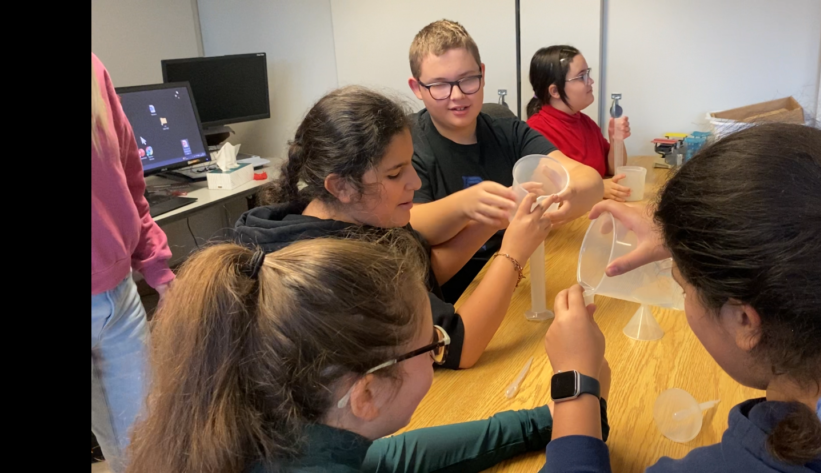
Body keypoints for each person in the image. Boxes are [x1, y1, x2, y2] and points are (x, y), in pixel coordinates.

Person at [542, 123, 821, 472]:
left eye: (683, 286)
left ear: (745, 321)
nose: (683, 295)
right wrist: (699, 242)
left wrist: (576, 382)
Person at [125, 235, 612, 472]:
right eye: (433, 347)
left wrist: (543, 420)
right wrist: (576, 389)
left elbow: (385, 459)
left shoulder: (269, 427)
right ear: (366, 393)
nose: (438, 352)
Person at [231, 86, 556, 369]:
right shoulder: (331, 266)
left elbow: (421, 270)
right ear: (341, 186)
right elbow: (456, 346)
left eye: (409, 165)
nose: (414, 182)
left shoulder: (343, 211)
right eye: (394, 173)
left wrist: (491, 224)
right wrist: (513, 252)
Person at [406, 19, 605, 301]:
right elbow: (413, 220)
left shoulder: (508, 130)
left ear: (482, 73)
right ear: (417, 88)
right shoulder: (408, 144)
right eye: (439, 85)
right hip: (455, 298)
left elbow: (586, 177)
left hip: (516, 277)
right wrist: (471, 206)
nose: (458, 95)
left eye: (468, 79)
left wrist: (571, 192)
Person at [91, 52, 176, 473]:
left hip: (119, 298)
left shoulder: (93, 69)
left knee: (148, 446)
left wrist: (158, 267)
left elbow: (128, 178)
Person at [526, 45, 632, 202]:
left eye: (587, 73)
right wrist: (598, 188)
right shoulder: (535, 131)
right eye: (581, 76)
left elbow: (613, 169)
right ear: (555, 91)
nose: (591, 81)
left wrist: (617, 139)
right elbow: (548, 189)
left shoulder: (585, 122)